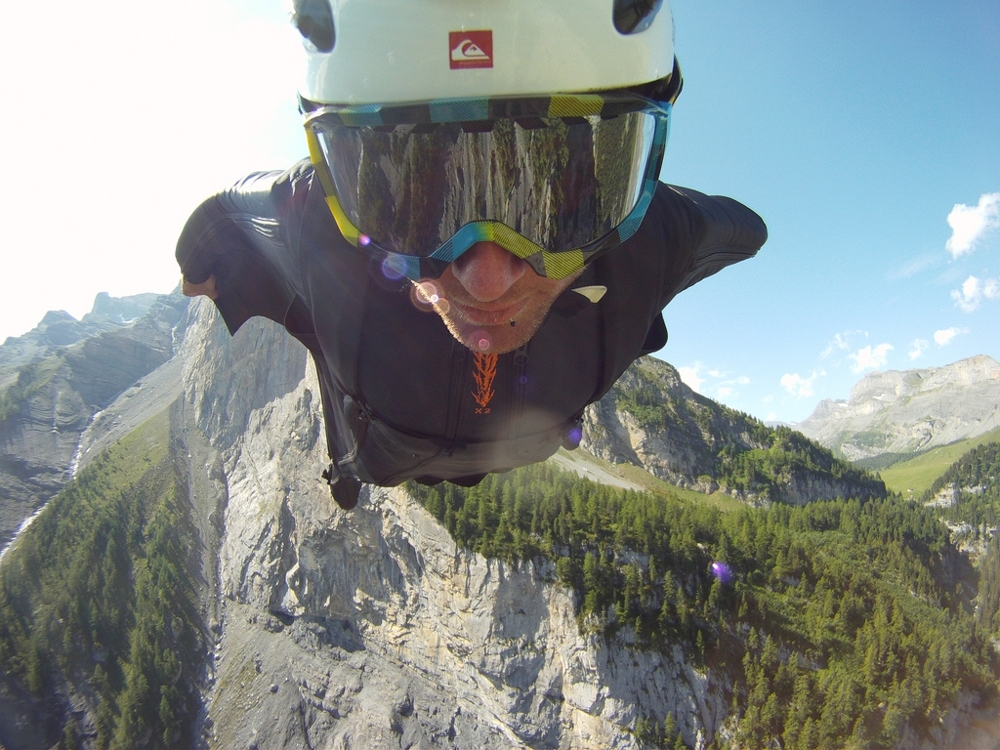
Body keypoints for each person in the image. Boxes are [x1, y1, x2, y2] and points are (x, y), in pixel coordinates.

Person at [176, 0, 767, 510]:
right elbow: (746, 230)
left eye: (559, 201)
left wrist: (197, 265)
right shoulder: (654, 236)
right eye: (409, 200)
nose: (487, 282)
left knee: (358, 443)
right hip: (445, 446)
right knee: (359, 456)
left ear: (628, 185)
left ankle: (351, 471)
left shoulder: (309, 220)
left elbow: (222, 214)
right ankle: (350, 472)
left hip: (385, 444)